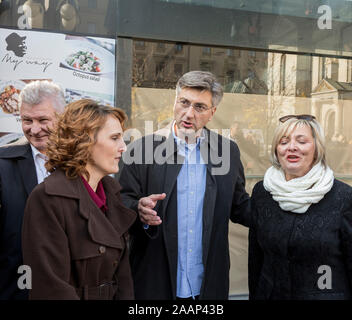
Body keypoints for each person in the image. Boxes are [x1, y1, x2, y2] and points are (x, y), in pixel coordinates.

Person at [119, 71, 250, 300]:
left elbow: (239, 207)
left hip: (207, 284)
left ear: (212, 113)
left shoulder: (227, 152)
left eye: (199, 107)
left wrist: (279, 197)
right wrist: (138, 209)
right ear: (174, 103)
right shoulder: (140, 150)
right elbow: (121, 203)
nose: (189, 113)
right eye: (184, 103)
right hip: (154, 282)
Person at [22, 99, 136, 300]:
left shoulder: (112, 194)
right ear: (85, 141)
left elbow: (123, 279)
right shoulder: (48, 198)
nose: (123, 147)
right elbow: (51, 287)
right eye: (115, 138)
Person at [248, 114, 352, 300]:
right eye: (284, 141)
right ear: (276, 149)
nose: (292, 147)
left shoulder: (343, 197)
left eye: (302, 141)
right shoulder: (262, 193)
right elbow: (256, 259)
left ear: (316, 148)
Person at [0, 80, 65, 300]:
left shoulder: (83, 164)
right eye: (27, 120)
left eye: (43, 120)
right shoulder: (3, 164)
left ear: (62, 118)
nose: (34, 129)